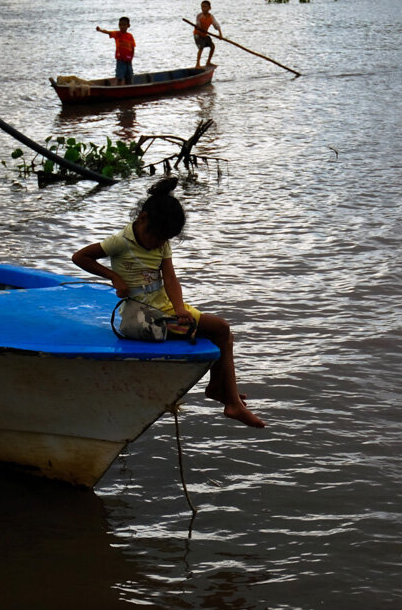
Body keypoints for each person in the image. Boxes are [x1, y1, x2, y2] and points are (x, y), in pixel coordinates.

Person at [72, 178, 265, 428]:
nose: (160, 243)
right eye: (158, 237)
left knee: (223, 333)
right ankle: (228, 399)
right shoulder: (121, 241)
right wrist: (114, 277)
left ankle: (224, 394)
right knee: (221, 330)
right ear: (143, 220)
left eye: (166, 239)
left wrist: (181, 309)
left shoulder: (162, 243)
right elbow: (80, 257)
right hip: (140, 317)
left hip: (162, 309)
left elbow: (170, 279)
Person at [96, 17, 134, 84]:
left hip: (128, 60)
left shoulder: (130, 36)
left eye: (124, 25)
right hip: (120, 60)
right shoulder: (117, 34)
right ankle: (119, 89)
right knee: (119, 76)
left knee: (129, 76)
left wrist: (131, 57)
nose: (122, 27)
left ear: (128, 26)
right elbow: (108, 32)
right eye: (120, 25)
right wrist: (100, 30)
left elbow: (132, 47)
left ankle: (129, 89)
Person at [193, 0, 221, 67]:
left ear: (209, 8)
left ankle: (208, 62)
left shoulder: (211, 17)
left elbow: (216, 25)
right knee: (201, 47)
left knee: (212, 46)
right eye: (202, 7)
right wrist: (199, 28)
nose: (203, 8)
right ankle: (197, 64)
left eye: (205, 7)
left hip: (204, 34)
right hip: (197, 34)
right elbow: (198, 24)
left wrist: (220, 34)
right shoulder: (199, 16)